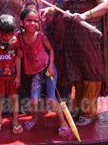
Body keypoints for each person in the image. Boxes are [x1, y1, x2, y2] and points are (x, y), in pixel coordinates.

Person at [42, 0, 108, 126]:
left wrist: (86, 15)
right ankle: (80, 108)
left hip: (90, 38)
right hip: (72, 38)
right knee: (77, 73)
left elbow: (105, 5)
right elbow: (59, 7)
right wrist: (49, 11)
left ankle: (89, 112)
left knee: (91, 73)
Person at [18, 8, 70, 137]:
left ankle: (63, 123)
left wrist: (51, 66)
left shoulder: (41, 36)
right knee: (34, 100)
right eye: (29, 20)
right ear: (21, 22)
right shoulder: (19, 37)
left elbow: (51, 50)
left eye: (35, 21)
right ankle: (34, 119)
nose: (32, 24)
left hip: (48, 71)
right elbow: (10, 44)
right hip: (36, 74)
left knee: (51, 99)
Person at [43, 0, 72, 106]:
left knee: (68, 62)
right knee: (54, 59)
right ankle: (52, 92)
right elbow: (47, 3)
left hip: (70, 30)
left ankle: (66, 93)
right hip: (54, 29)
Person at [0, 14, 23, 134]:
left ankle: (15, 121)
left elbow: (18, 59)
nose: (8, 37)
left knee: (14, 99)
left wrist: (18, 76)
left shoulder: (16, 42)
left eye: (10, 34)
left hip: (12, 77)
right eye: (4, 35)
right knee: (0, 98)